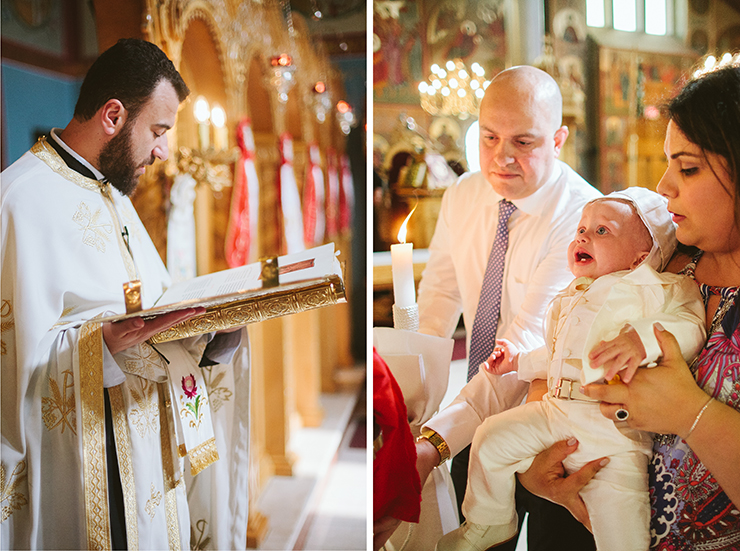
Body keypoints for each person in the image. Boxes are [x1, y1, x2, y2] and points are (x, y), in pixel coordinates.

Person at [1, 39, 250, 550]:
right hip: (87, 465)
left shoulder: (113, 195)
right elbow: (9, 371)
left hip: (148, 454)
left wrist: (213, 329)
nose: (162, 151)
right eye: (157, 131)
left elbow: (153, 312)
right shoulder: (16, 202)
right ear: (113, 115)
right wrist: (97, 347)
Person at [519, 56, 740, 549]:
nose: (664, 186)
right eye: (667, 163)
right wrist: (539, 465)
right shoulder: (661, 260)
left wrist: (690, 412)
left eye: (688, 167)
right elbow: (567, 338)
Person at [393, 65, 603, 550]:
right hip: (476, 413)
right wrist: (408, 397)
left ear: (558, 138)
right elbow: (439, 298)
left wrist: (436, 440)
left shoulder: (584, 219)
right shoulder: (464, 194)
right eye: (489, 137)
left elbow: (526, 340)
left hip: (559, 428)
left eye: (523, 142)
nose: (501, 157)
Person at [436, 188, 706, 551]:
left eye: (602, 231)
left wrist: (642, 340)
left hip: (613, 437)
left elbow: (690, 325)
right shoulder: (572, 294)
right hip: (555, 412)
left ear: (641, 257)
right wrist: (517, 361)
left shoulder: (655, 288)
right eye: (581, 228)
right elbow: (554, 353)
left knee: (622, 531)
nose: (582, 236)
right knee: (488, 439)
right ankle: (490, 521)